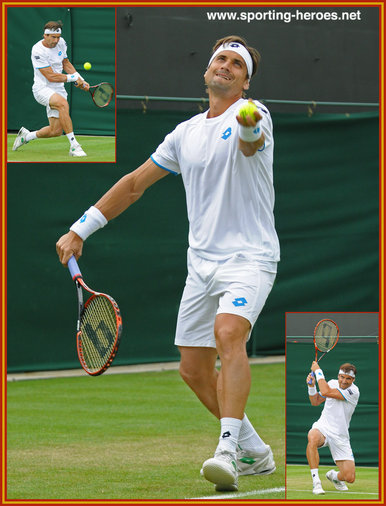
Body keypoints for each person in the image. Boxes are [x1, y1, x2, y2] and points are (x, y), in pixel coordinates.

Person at [56, 35, 280, 491]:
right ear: (207, 71)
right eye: (221, 58)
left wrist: (252, 125)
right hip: (200, 264)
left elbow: (250, 143)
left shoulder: (252, 115)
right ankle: (254, 449)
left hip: (249, 256)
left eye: (237, 64)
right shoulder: (184, 133)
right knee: (193, 369)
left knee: (228, 334)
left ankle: (227, 452)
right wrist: (81, 228)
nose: (226, 66)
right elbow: (135, 183)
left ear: (244, 84)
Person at [12, 20, 89, 157]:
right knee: (62, 104)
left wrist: (80, 79)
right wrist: (72, 79)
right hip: (42, 89)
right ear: (45, 35)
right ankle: (74, 146)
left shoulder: (61, 43)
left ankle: (26, 136)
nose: (56, 40)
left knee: (55, 131)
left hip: (59, 89)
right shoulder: (37, 50)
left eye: (58, 37)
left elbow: (65, 63)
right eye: (53, 37)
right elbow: (51, 76)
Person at [306, 361, 359, 495]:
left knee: (349, 477)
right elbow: (315, 401)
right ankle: (316, 482)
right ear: (338, 375)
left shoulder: (354, 391)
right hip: (323, 427)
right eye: (342, 377)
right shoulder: (332, 383)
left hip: (340, 436)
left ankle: (334, 477)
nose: (344, 381)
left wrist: (318, 371)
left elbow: (326, 391)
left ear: (353, 379)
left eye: (348, 378)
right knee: (312, 437)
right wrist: (311, 387)